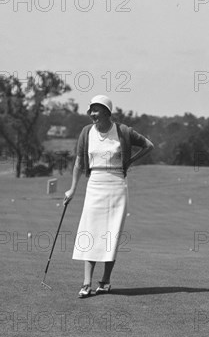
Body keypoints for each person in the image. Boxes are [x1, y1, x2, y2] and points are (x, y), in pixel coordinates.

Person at [64, 95, 154, 298]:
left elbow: (149, 145)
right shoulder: (86, 132)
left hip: (116, 186)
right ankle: (86, 283)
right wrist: (72, 189)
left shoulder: (123, 131)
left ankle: (104, 281)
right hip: (94, 184)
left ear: (107, 111)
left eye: (96, 110)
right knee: (90, 233)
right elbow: (79, 162)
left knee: (110, 235)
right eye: (91, 110)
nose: (92, 114)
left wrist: (130, 161)